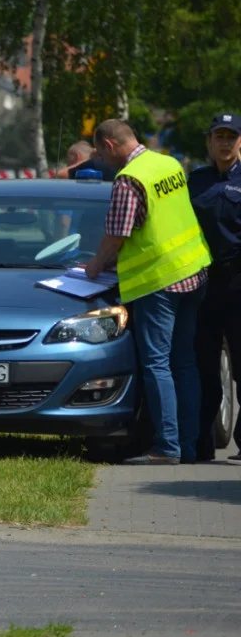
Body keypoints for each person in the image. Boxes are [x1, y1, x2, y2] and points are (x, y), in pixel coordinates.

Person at [85, 119, 212, 465]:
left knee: (157, 364)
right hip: (193, 272)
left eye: (98, 150)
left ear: (110, 146)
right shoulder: (168, 163)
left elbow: (117, 234)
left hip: (160, 282)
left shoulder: (129, 179)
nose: (98, 156)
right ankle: (190, 445)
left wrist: (96, 264)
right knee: (184, 361)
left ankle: (166, 447)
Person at [189, 113, 241, 464]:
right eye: (218, 137)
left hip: (239, 282)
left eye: (231, 137)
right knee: (204, 367)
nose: (224, 143)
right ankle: (201, 444)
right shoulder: (196, 181)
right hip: (204, 285)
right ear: (208, 142)